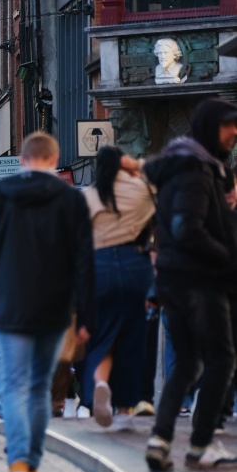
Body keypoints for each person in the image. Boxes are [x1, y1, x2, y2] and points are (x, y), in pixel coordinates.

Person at [0, 132, 94, 472]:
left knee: (16, 386)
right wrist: (86, 316)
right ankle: (31, 466)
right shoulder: (71, 199)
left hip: (9, 306)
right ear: (53, 160)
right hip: (55, 307)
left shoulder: (0, 196)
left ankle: (18, 463)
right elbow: (84, 260)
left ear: (22, 160)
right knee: (39, 389)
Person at [140, 98, 237, 471]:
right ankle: (200, 442)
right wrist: (226, 257)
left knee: (187, 363)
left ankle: (160, 439)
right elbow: (186, 228)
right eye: (228, 125)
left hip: (174, 279)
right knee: (222, 359)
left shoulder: (190, 165)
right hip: (200, 280)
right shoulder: (196, 170)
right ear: (211, 127)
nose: (233, 133)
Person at [80, 146, 155, 431]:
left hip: (99, 267)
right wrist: (135, 164)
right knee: (132, 336)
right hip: (135, 263)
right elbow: (161, 176)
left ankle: (100, 383)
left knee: (101, 336)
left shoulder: (88, 196)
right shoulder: (141, 190)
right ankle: (125, 408)